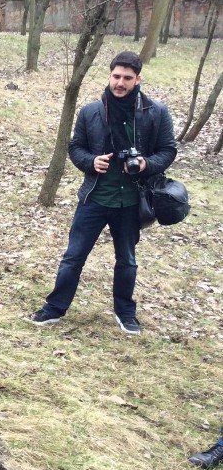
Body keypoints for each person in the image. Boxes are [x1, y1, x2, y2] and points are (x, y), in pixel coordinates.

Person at [27, 51, 177, 335]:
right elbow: (76, 148)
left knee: (127, 261)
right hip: (94, 197)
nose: (120, 83)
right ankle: (54, 309)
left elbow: (168, 150)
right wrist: (90, 162)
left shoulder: (155, 112)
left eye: (127, 78)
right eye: (116, 76)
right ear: (110, 76)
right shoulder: (91, 112)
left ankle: (125, 313)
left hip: (131, 201)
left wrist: (146, 164)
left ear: (138, 79)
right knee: (73, 257)